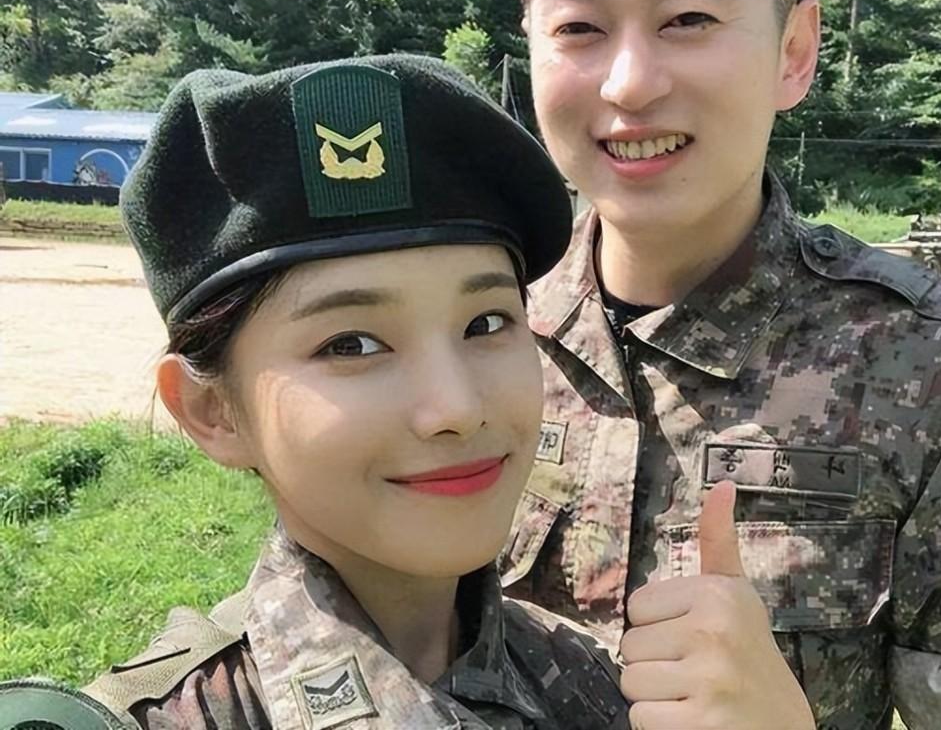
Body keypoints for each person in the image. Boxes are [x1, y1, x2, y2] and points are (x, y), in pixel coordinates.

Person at [497, 0, 941, 728]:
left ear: (794, 51)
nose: (629, 82)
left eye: (688, 18)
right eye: (578, 27)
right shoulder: (476, 334)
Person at [29, 54, 639, 729]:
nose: (458, 409)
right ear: (212, 411)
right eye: (351, 344)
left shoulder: (597, 686)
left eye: (485, 323)